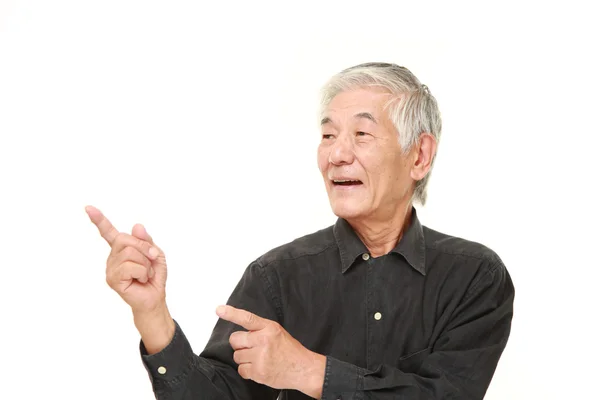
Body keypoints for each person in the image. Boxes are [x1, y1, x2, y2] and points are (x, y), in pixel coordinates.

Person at [86, 62, 514, 400]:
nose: (337, 154)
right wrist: (151, 314)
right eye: (328, 134)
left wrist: (308, 371)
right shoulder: (276, 276)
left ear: (419, 155)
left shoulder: (474, 277)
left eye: (362, 133)